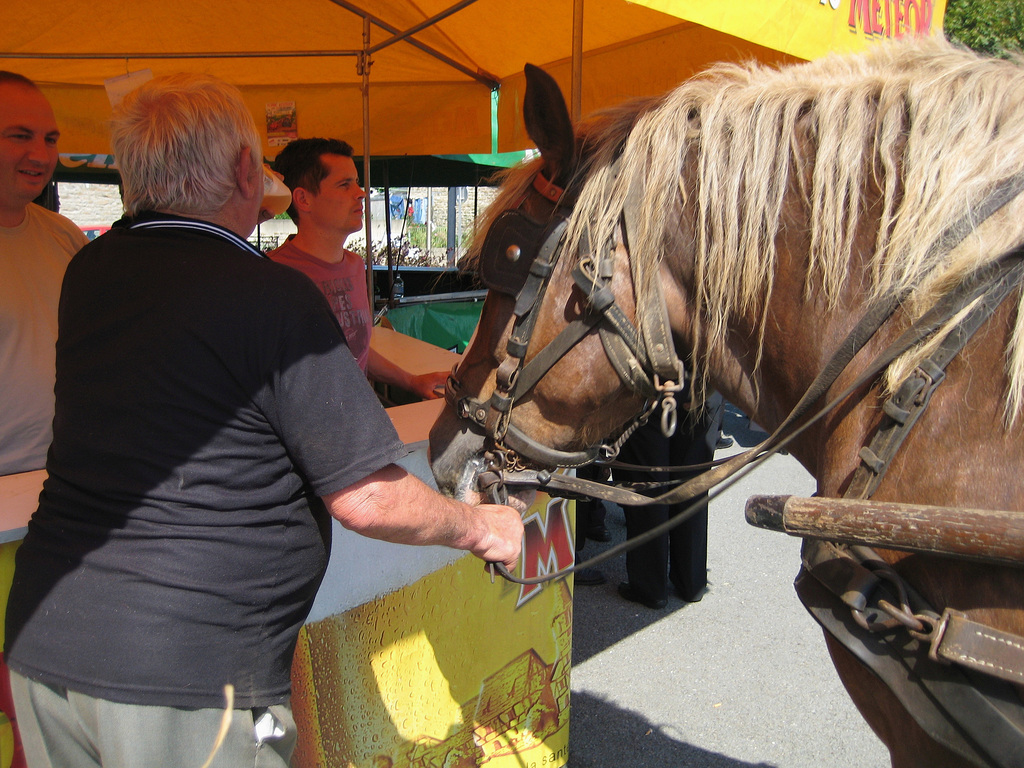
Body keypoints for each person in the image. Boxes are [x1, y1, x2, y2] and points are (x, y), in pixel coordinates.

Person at [3, 73, 522, 768]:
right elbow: (367, 497)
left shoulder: (92, 268)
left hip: (47, 643)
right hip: (185, 674)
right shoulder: (269, 295)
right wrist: (482, 526)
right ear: (247, 170)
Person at [269, 138, 448, 400]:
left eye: (356, 182)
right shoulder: (271, 274)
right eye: (344, 184)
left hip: (358, 419)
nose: (361, 192)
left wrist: (411, 381)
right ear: (303, 199)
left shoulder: (354, 265)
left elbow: (356, 351)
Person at [0, 71, 88, 477]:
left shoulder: (63, 235)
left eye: (50, 139)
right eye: (19, 136)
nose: (40, 154)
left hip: (62, 479)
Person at [616, 392, 724, 609]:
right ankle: (691, 582)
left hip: (653, 390)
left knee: (649, 490)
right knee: (692, 489)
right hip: (705, 388)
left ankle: (650, 587)